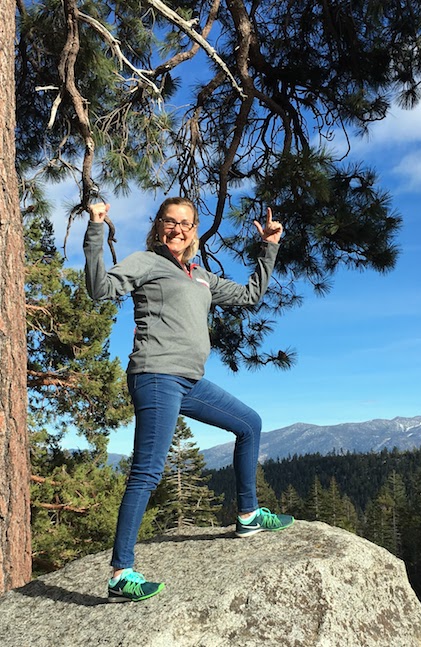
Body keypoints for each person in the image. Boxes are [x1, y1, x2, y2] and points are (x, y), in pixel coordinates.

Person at [83, 196, 294, 603]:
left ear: (194, 230)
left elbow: (250, 296)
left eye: (185, 223)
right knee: (147, 472)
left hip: (190, 381)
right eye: (170, 221)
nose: (177, 229)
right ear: (158, 225)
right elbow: (99, 288)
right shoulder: (146, 262)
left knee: (249, 424)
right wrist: (96, 228)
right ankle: (119, 573)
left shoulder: (200, 276)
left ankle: (248, 516)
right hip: (156, 375)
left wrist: (269, 246)